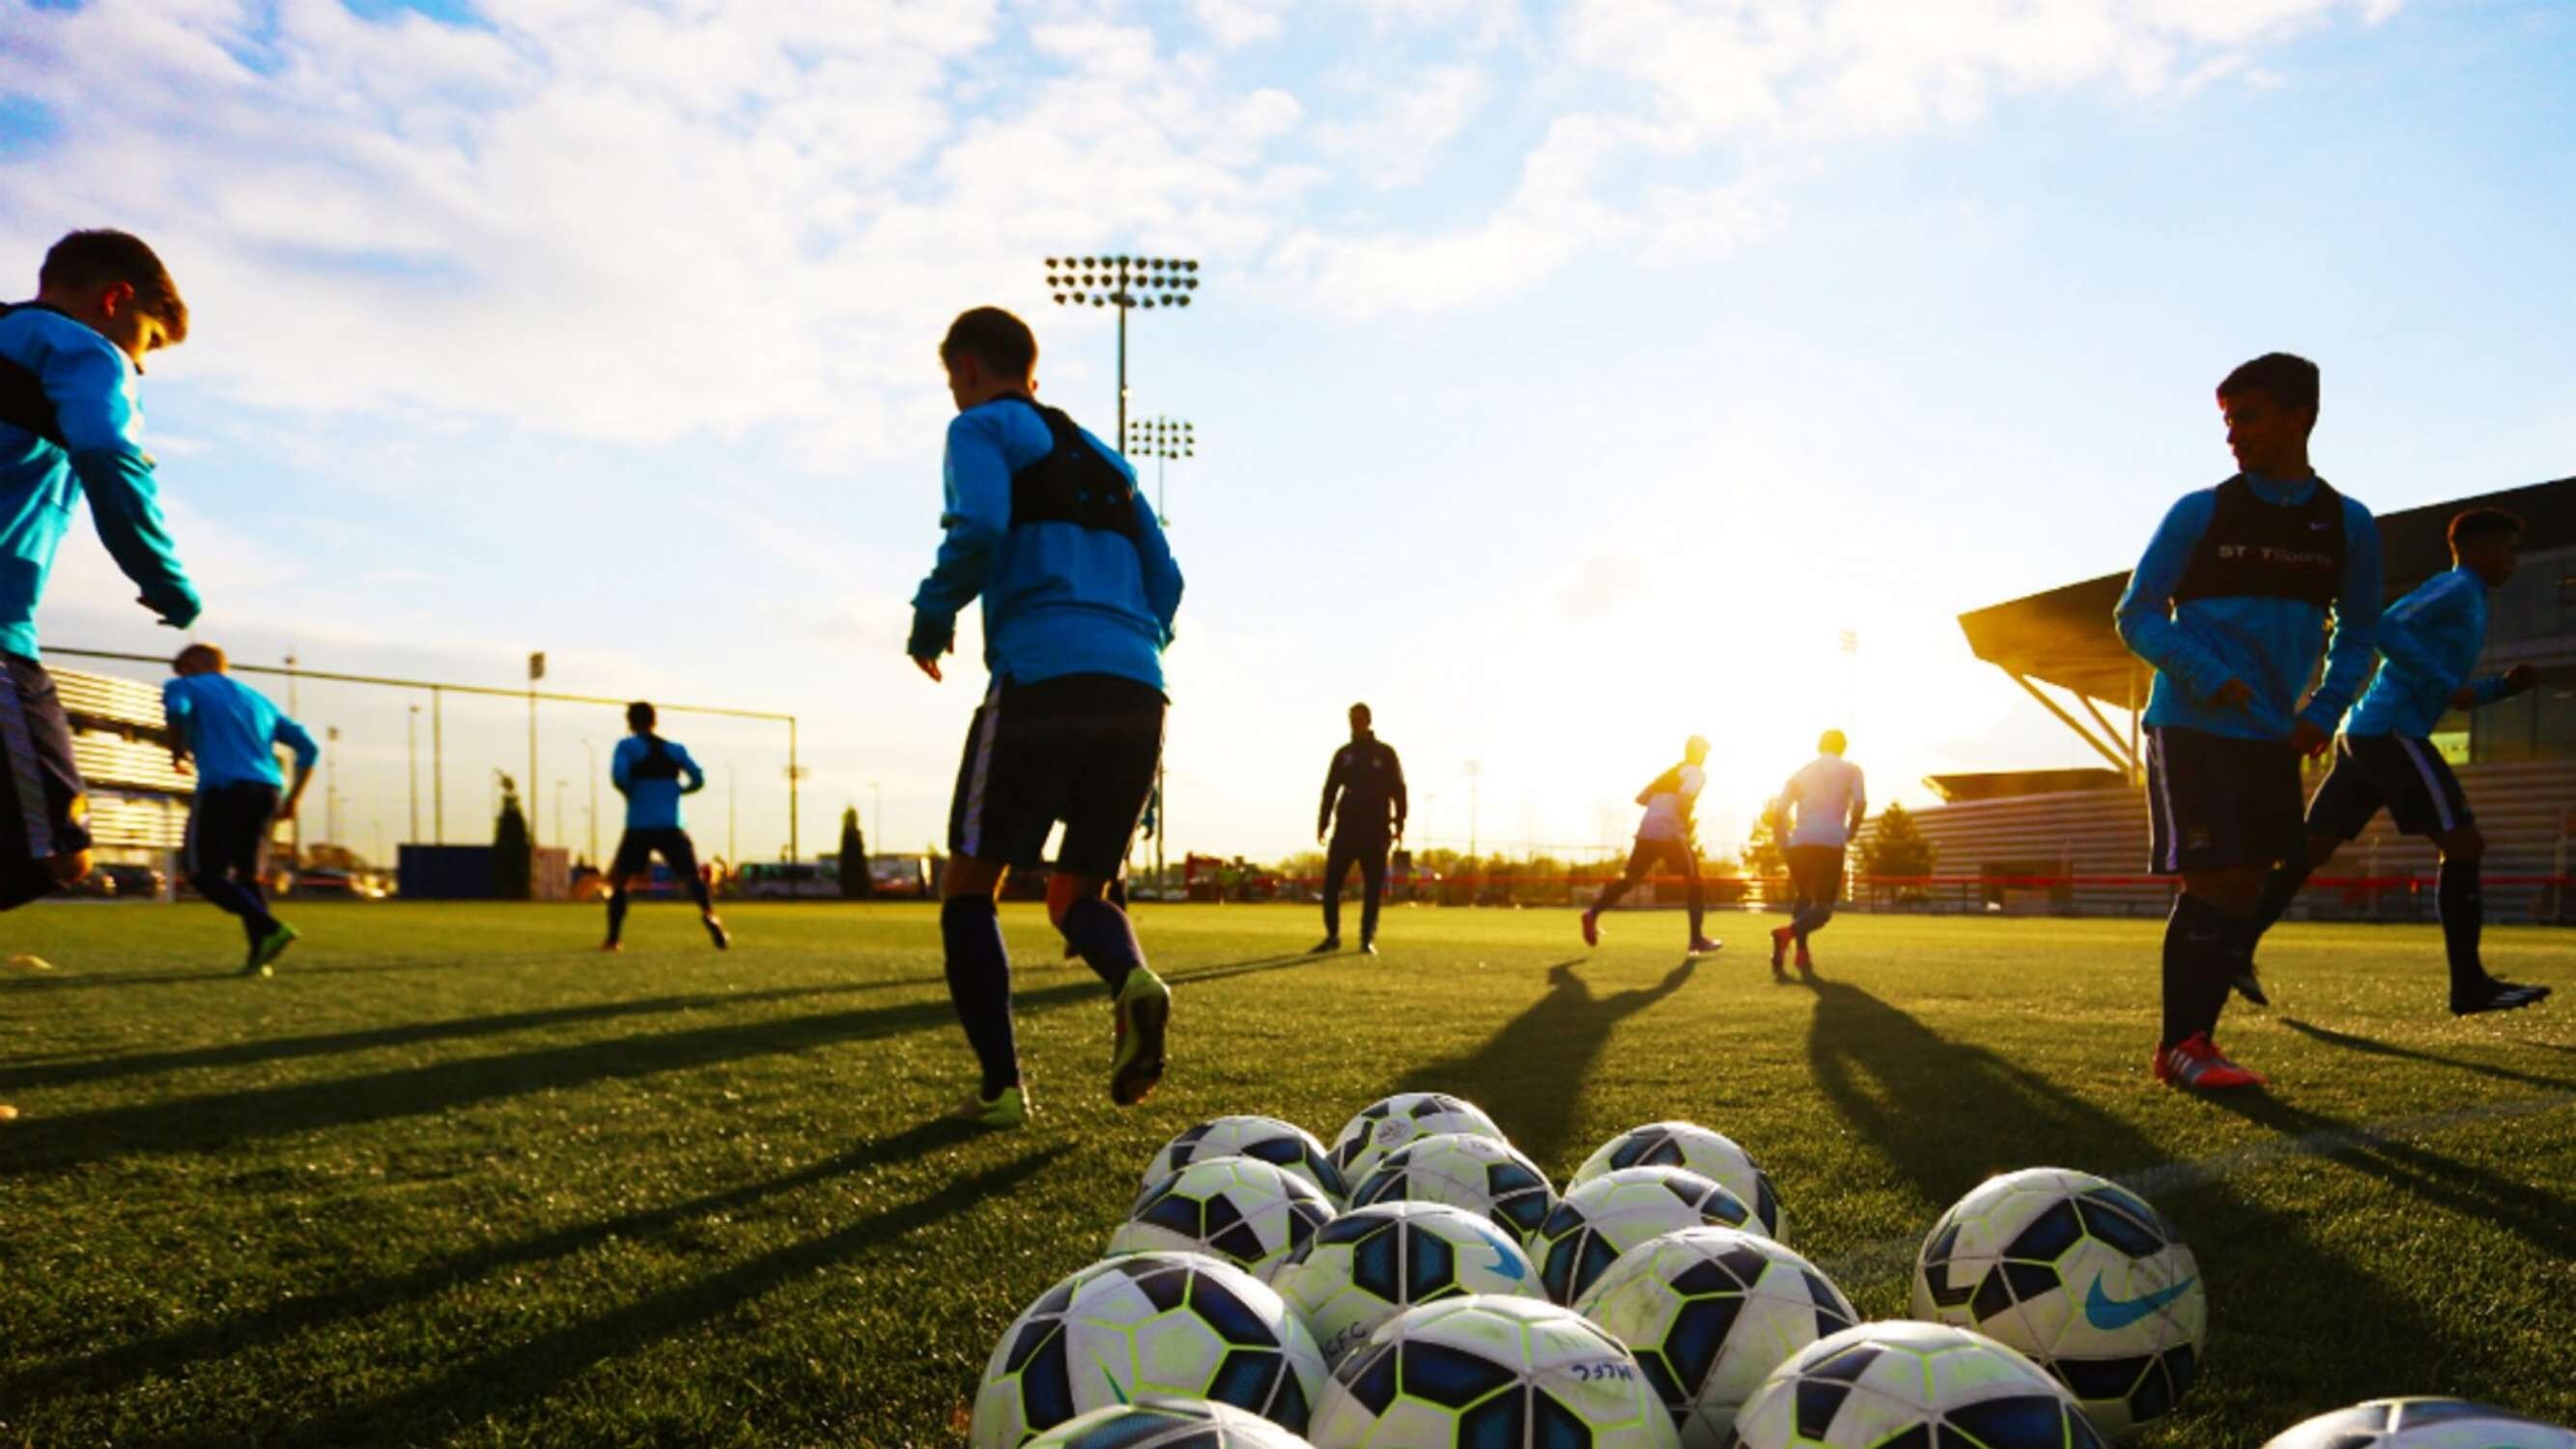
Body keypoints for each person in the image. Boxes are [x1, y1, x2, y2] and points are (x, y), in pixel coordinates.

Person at [910, 305, 1184, 1128]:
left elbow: (983, 525)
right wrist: (1130, 637)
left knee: (970, 882)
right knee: (1075, 892)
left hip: (1042, 677)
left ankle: (1000, 1090)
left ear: (963, 368)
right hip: (1139, 686)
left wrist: (933, 613)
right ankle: (1133, 979)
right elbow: (1166, 580)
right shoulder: (1111, 462)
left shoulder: (981, 428)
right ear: (1032, 368)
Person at [2115, 352, 2381, 1092]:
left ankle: (2194, 1042)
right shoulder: (2199, 511)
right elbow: (2134, 615)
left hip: (2272, 734)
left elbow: (2361, 631)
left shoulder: (2347, 525)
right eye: (2227, 422)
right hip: (2190, 723)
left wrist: (2323, 711)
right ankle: (2181, 1047)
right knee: (2212, 877)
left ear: (2300, 415)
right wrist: (2207, 674)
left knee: (2240, 888)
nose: (2233, 435)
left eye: (2248, 418)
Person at [2240, 507, 2552, 1015]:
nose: (2514, 562)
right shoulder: (2457, 588)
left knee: (2308, 851)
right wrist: (2447, 683)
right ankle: (2469, 986)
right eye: (2508, 549)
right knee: (2463, 842)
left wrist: (2503, 688)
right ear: (2476, 549)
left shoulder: (2470, 600)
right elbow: (2387, 627)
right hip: (2390, 734)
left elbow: (2455, 694)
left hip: (2365, 735)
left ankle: (2235, 946)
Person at [0, 230, 201, 913]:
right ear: (116, 299)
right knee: (56, 852)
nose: (135, 366)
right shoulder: (82, 349)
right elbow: (108, 456)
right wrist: (166, 578)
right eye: (141, 341)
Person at [163, 644, 316, 974]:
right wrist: (295, 798)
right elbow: (309, 747)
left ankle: (270, 927)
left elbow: (177, 710)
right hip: (267, 791)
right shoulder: (258, 700)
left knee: (202, 873)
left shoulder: (185, 686)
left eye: (182, 668)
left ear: (194, 664)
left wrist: (177, 752)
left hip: (223, 787)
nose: (179, 676)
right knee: (249, 875)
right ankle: (261, 956)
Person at [603, 700, 728, 952]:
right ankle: (709, 914)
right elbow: (698, 777)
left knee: (621, 881)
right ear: (654, 720)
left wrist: (632, 792)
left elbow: (618, 776)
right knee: (692, 876)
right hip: (671, 823)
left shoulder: (627, 747)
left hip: (639, 824)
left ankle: (614, 939)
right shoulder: (675, 749)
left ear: (630, 722)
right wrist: (680, 791)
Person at [1580, 735, 1722, 956]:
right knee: (1695, 882)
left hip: (1647, 830)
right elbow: (1685, 799)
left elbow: (1641, 798)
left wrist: (1660, 803)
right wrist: (1682, 824)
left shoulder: (1671, 773)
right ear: (1699, 753)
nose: (1705, 757)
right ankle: (1696, 940)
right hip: (1670, 832)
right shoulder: (1696, 773)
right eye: (1704, 752)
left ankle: (1592, 913)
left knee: (1629, 879)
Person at [1769, 729, 1867, 979]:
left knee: (1804, 897)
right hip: (1830, 841)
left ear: (1819, 746)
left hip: (1800, 842)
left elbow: (1780, 810)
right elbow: (1861, 802)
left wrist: (1783, 841)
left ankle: (1801, 953)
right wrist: (1851, 830)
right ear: (1843, 747)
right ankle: (1786, 935)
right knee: (1823, 909)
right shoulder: (1852, 770)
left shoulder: (1803, 772)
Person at [1312, 701, 1406, 955]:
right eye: (1352, 718)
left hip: (1376, 830)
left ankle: (1366, 939)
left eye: (1360, 718)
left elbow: (1399, 790)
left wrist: (1400, 824)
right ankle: (1332, 936)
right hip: (1346, 829)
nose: (1356, 722)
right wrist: (1323, 822)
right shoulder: (1344, 755)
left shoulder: (1385, 754)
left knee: (1373, 887)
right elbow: (1330, 789)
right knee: (1332, 883)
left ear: (1369, 720)